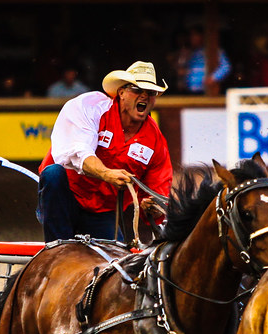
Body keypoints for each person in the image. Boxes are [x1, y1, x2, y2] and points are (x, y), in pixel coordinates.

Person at [36, 60, 172, 242]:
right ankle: (56, 250)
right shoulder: (90, 107)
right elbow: (78, 151)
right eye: (137, 90)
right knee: (53, 173)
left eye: (151, 92)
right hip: (64, 199)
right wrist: (106, 173)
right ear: (121, 92)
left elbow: (159, 189)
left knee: (118, 264)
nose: (144, 96)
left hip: (102, 213)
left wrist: (153, 208)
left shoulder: (155, 140)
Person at [181, 26, 231, 94]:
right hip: (189, 92)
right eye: (190, 35)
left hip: (206, 92)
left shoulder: (214, 50)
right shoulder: (190, 52)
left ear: (202, 36)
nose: (191, 38)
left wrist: (213, 78)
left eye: (194, 35)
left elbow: (226, 67)